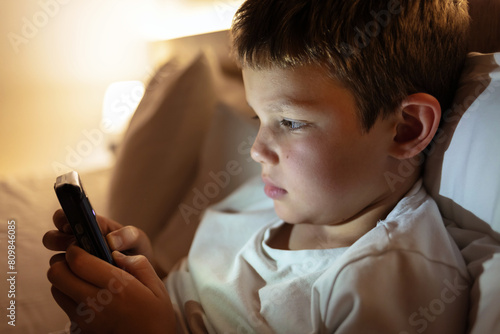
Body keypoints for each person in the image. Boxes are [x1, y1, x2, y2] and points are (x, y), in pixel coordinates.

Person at [43, 0, 474, 333]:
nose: (257, 150)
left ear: (406, 128)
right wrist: (147, 276)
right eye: (257, 119)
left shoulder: (388, 285)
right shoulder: (268, 198)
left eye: (290, 122)